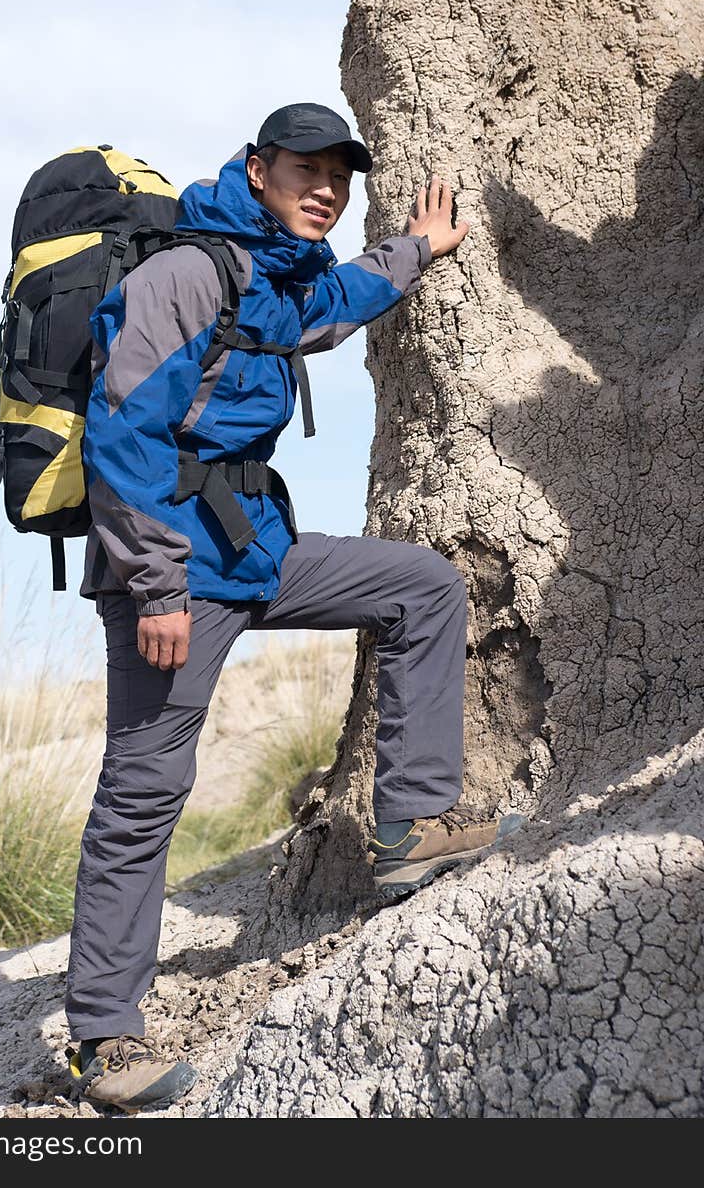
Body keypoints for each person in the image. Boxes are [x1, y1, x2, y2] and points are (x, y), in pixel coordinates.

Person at [65, 103, 520, 1113]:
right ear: (257, 167)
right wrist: (156, 585)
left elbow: (326, 307)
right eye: (306, 169)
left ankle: (407, 825)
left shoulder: (269, 272)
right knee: (144, 793)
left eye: (339, 176)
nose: (326, 188)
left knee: (419, 585)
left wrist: (416, 250)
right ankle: (104, 1037)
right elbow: (121, 432)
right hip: (176, 576)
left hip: (253, 553)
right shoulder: (184, 272)